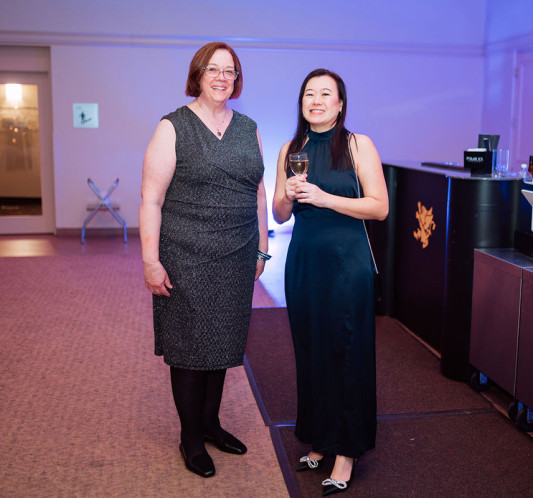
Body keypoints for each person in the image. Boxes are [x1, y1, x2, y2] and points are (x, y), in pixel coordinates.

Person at [139, 42, 269, 479]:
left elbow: (258, 192)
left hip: (237, 255)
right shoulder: (173, 126)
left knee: (223, 343)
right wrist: (150, 261)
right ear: (197, 74)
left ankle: (211, 424)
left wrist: (262, 247)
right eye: (213, 69)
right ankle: (190, 437)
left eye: (230, 71)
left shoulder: (248, 128)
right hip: (186, 255)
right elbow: (151, 199)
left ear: (237, 79)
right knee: (190, 346)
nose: (222, 77)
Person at [273, 69, 388, 496]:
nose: (317, 100)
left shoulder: (358, 145)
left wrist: (324, 198)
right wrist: (287, 194)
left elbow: (379, 208)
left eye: (326, 94)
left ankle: (347, 450)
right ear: (301, 102)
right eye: (309, 93)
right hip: (305, 263)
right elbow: (279, 214)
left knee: (347, 352)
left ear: (340, 104)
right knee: (312, 351)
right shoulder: (291, 149)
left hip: (347, 264)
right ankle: (321, 438)